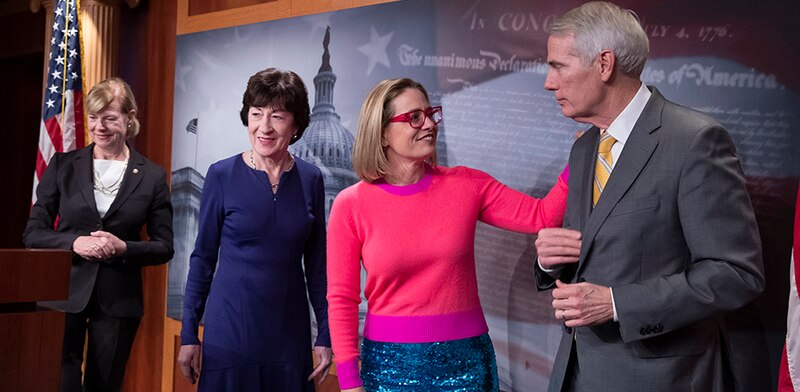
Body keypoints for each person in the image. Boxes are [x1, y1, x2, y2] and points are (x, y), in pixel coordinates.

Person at [533, 2, 765, 391]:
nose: (548, 82)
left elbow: (735, 273)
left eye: (558, 66)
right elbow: (591, 255)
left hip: (661, 379)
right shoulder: (584, 147)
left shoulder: (695, 141)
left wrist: (617, 303)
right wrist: (548, 263)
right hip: (577, 373)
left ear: (604, 64)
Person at [326, 77, 569, 391]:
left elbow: (542, 215)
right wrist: (348, 382)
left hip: (468, 361)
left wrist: (583, 154)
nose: (428, 124)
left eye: (431, 113)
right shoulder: (351, 204)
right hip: (388, 367)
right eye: (414, 117)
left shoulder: (467, 185)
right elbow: (342, 300)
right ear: (382, 132)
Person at [178, 68, 331, 391]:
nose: (264, 127)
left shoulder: (312, 179)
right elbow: (202, 259)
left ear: (295, 124)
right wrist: (189, 333)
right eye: (256, 114)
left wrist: (326, 335)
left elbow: (318, 268)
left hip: (289, 336)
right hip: (229, 334)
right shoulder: (221, 175)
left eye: (276, 116)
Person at [23, 77, 174, 392]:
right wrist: (75, 242)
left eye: (110, 117)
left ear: (130, 117)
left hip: (118, 299)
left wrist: (123, 248)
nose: (99, 126)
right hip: (61, 292)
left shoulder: (152, 176)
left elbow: (164, 247)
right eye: (93, 117)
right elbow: (33, 233)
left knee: (104, 386)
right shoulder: (63, 165)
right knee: (58, 383)